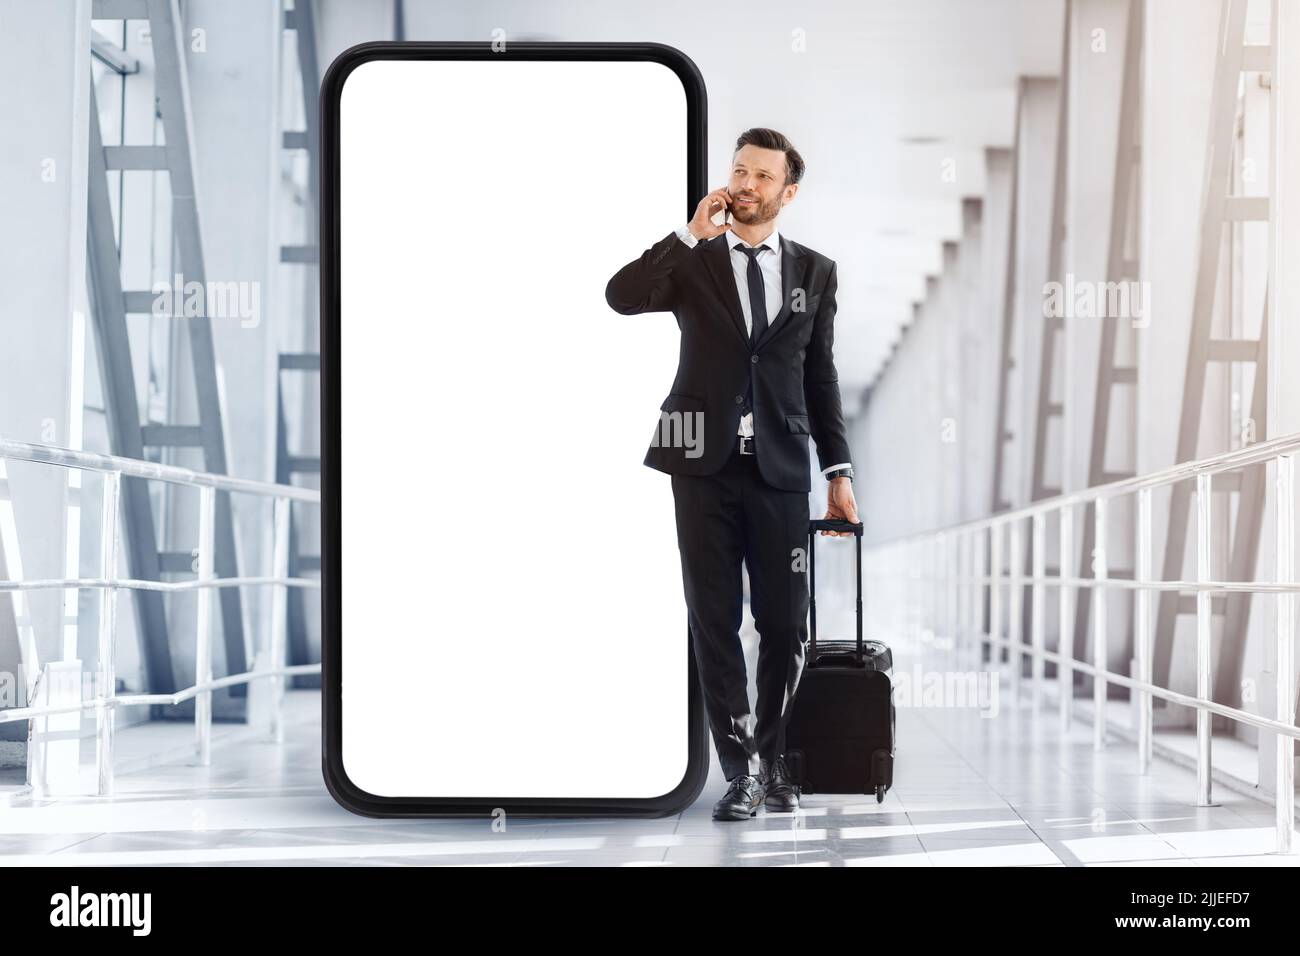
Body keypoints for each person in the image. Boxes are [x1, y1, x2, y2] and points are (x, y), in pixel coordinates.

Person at [605, 127, 860, 821]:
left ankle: (776, 760)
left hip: (780, 468)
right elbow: (621, 296)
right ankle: (741, 770)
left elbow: (820, 376)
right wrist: (688, 235)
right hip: (700, 465)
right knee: (713, 619)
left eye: (762, 177)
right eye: (739, 172)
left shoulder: (815, 273)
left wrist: (837, 469)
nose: (746, 185)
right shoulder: (695, 262)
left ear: (788, 192)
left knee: (781, 622)